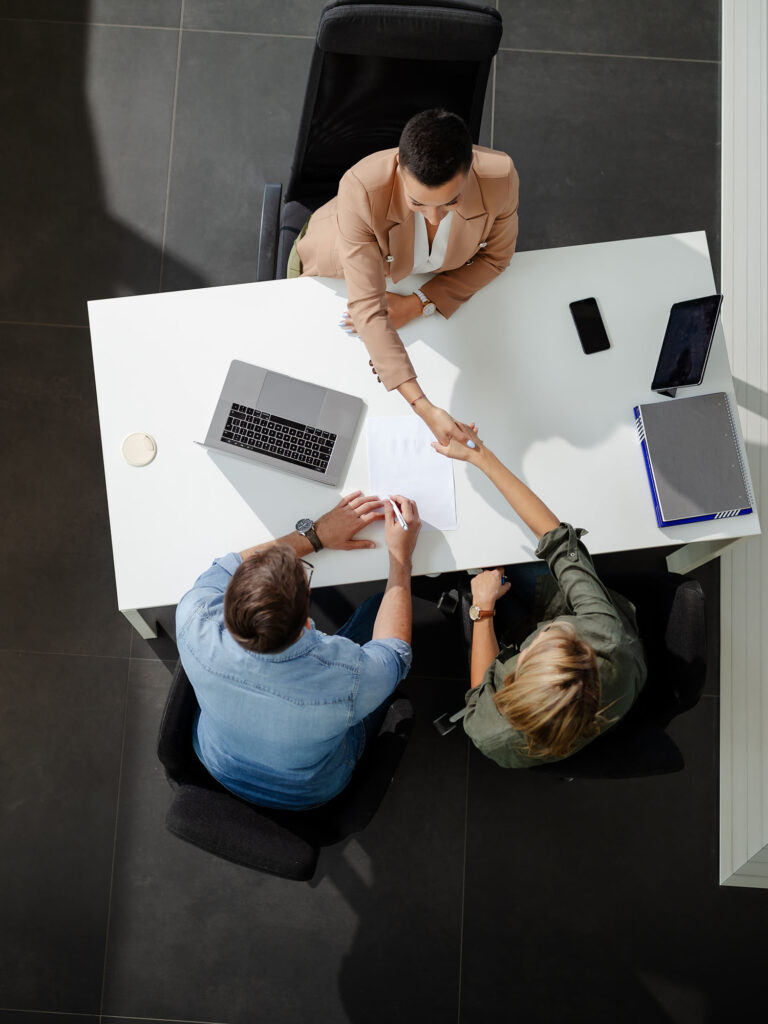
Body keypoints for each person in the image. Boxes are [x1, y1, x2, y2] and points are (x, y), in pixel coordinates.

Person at [175, 491, 421, 809]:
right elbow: (395, 653)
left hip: (219, 763)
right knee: (376, 610)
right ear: (306, 622)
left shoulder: (194, 613)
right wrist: (401, 559)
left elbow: (229, 566)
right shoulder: (348, 679)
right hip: (307, 792)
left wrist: (316, 535)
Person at [291, 108, 519, 446]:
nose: (435, 217)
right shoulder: (361, 187)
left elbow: (497, 257)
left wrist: (419, 303)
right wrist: (424, 407)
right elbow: (368, 307)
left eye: (450, 203)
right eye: (418, 203)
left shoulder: (499, 178)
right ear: (399, 166)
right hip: (338, 273)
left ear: (470, 167)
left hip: (418, 280)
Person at [432, 426, 647, 768]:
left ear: (514, 679)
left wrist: (482, 609)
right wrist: (480, 456)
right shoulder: (604, 637)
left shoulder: (490, 732)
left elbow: (478, 696)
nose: (548, 631)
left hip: (508, 629)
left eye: (536, 646)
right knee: (507, 551)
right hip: (595, 633)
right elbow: (558, 541)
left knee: (479, 554)